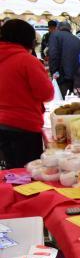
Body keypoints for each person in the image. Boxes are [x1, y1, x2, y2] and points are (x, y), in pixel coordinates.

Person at [0, 20, 54, 168]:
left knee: (10, 173)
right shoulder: (27, 61)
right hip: (24, 127)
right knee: (28, 175)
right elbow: (46, 94)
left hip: (2, 125)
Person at [48, 21, 80, 98]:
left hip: (61, 76)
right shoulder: (76, 39)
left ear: (58, 28)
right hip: (75, 78)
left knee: (61, 102)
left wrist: (54, 72)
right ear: (70, 29)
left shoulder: (55, 36)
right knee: (72, 102)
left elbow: (53, 55)